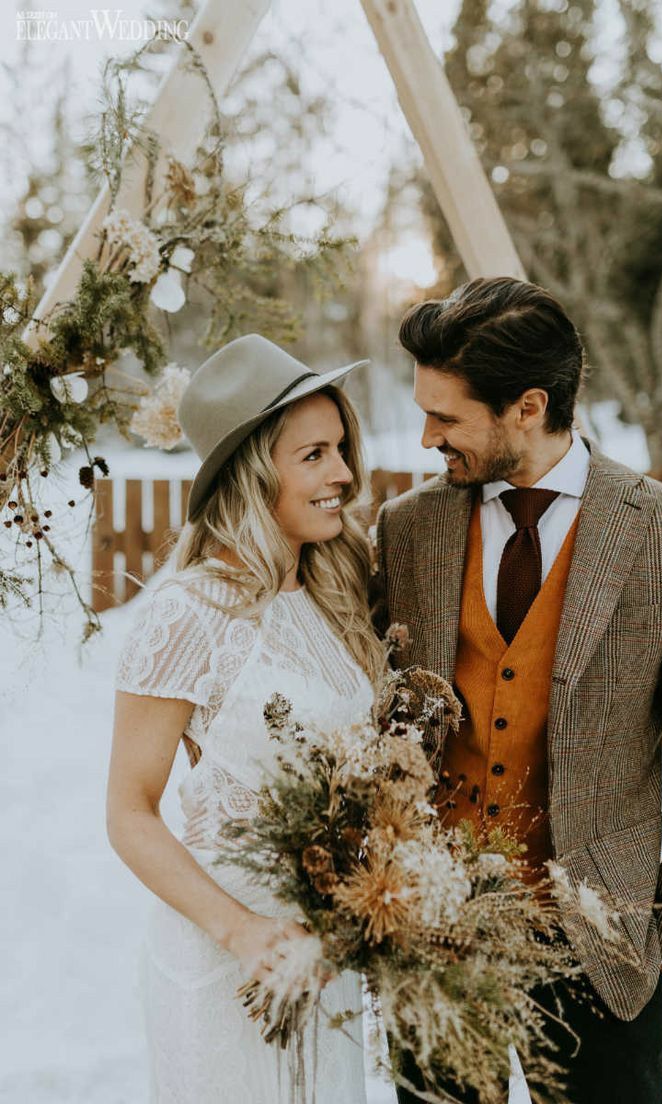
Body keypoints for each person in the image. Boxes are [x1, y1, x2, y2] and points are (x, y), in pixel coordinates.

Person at [373, 277, 662, 1104]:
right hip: (436, 937)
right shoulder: (408, 529)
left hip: (602, 950)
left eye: (447, 416)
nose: (427, 436)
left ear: (528, 407)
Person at [107, 335, 385, 1103]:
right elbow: (129, 813)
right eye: (315, 455)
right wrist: (242, 931)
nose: (344, 475)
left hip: (323, 958)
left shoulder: (332, 591)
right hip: (225, 952)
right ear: (253, 472)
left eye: (340, 449)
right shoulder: (184, 612)